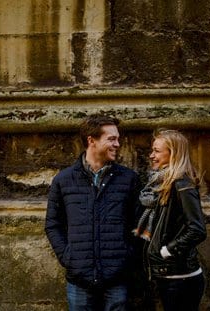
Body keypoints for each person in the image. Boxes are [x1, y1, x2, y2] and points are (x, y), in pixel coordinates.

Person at [45, 114, 141, 311]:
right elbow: (53, 225)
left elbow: (141, 225)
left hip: (117, 278)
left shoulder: (129, 179)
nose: (117, 144)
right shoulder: (64, 180)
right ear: (92, 141)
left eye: (118, 138)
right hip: (79, 278)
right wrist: (68, 258)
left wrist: (126, 257)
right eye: (111, 139)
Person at [132, 129, 207, 310]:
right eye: (152, 150)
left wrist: (166, 251)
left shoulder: (182, 184)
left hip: (181, 278)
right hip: (168, 276)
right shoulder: (160, 183)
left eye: (157, 151)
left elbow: (197, 229)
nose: (151, 155)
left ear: (173, 153)